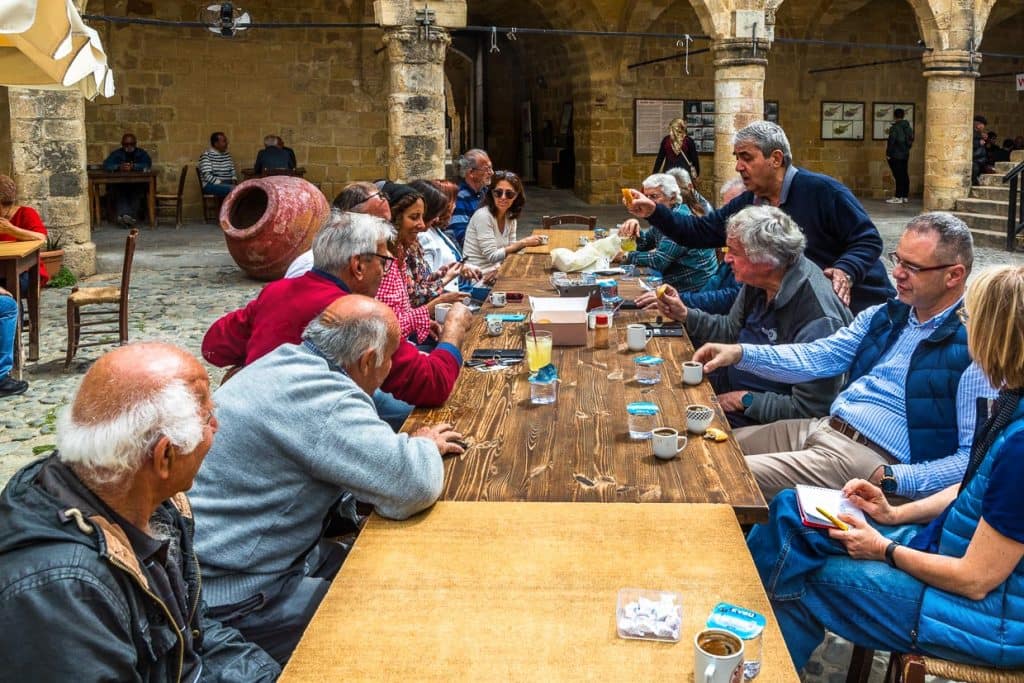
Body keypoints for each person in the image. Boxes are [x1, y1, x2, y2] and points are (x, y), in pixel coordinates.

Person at [747, 264, 1024, 672]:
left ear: (995, 335)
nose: (965, 327)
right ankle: (748, 646)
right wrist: (893, 514)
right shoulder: (1012, 402)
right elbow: (970, 486)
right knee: (791, 507)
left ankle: (752, 660)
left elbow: (975, 579)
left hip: (980, 618)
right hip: (943, 545)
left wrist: (884, 549)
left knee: (793, 573)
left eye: (972, 318)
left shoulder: (1019, 443)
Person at [192, 295, 464, 664]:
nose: (390, 369)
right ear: (367, 360)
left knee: (395, 567)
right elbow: (414, 486)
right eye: (390, 358)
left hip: (238, 559)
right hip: (238, 593)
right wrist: (426, 445)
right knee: (404, 616)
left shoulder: (286, 360)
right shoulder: (325, 398)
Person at [0, 343, 280, 681]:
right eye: (207, 418)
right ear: (164, 457)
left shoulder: (142, 501)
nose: (216, 427)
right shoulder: (62, 592)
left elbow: (192, 636)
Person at [693, 213, 995, 501]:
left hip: (867, 458)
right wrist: (740, 353)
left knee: (713, 472)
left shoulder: (976, 347)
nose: (897, 273)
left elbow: (975, 458)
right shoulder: (887, 314)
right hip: (826, 427)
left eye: (912, 267)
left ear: (954, 275)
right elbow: (820, 355)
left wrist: (894, 479)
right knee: (699, 449)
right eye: (898, 259)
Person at [202, 211, 471, 415]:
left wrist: (249, 364)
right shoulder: (355, 314)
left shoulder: (278, 291)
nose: (385, 272)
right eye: (383, 262)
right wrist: (453, 331)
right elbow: (432, 385)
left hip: (265, 413)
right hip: (317, 423)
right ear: (358, 266)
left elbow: (214, 346)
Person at [626, 120, 895, 313]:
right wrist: (654, 211)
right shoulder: (751, 201)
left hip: (860, 306)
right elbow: (701, 232)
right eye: (737, 157)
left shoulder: (823, 191)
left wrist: (846, 269)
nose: (738, 166)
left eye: (746, 157)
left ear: (775, 158)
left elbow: (868, 239)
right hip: (804, 306)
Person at [642, 206, 851, 428]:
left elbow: (811, 409)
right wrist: (685, 314)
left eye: (734, 252)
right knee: (656, 389)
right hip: (727, 384)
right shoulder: (761, 280)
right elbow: (729, 331)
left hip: (767, 420)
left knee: (675, 428)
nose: (726, 259)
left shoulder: (819, 316)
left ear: (765, 260)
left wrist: (745, 400)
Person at [374, 182, 465, 344]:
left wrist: (423, 322)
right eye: (414, 217)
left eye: (422, 217)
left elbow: (404, 309)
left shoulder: (400, 251)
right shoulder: (384, 261)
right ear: (394, 218)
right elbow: (389, 330)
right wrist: (433, 306)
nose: (422, 225)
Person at [615, 172, 717, 293]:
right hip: (675, 286)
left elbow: (659, 261)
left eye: (653, 196)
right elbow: (645, 244)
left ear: (672, 198)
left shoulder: (680, 216)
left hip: (694, 293)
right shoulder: (665, 216)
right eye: (646, 196)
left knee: (623, 293)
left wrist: (626, 256)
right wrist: (635, 231)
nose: (647, 201)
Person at [284, 180, 391, 279]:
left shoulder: (375, 262)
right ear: (345, 221)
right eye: (378, 223)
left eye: (387, 223)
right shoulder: (312, 267)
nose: (387, 231)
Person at [677, 178, 744, 316]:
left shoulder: (753, 248)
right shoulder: (736, 240)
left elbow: (731, 298)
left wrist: (681, 301)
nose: (728, 219)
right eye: (726, 210)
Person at [462, 171, 544, 268]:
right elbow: (492, 256)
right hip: (477, 273)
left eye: (509, 194)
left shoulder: (510, 216)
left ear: (516, 196)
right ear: (492, 193)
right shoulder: (483, 216)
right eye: (498, 193)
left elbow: (512, 249)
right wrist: (524, 243)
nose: (503, 197)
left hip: (497, 268)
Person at [101, 133, 153, 227]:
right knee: (120, 192)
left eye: (131, 144)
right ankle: (128, 217)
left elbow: (147, 164)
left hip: (137, 184)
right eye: (126, 144)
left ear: (135, 144)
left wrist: (134, 166)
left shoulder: (141, 153)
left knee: (136, 192)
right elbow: (106, 165)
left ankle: (125, 217)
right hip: (120, 183)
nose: (129, 146)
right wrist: (118, 167)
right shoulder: (117, 153)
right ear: (122, 144)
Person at [447, 148, 493, 246]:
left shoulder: (485, 192)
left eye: (491, 168)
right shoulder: (460, 197)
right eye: (487, 169)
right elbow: (459, 235)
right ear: (471, 172)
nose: (491, 172)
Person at [651, 117, 700, 181]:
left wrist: (654, 173)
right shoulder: (688, 140)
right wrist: (697, 173)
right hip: (684, 173)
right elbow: (694, 159)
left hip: (669, 172)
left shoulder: (666, 140)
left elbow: (660, 159)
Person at [885, 108, 913, 204]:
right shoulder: (908, 127)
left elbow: (891, 141)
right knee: (904, 174)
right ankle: (905, 196)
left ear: (894, 116)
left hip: (895, 155)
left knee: (898, 176)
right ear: (903, 115)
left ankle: (898, 197)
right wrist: (906, 149)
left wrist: (888, 154)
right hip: (905, 154)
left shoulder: (895, 128)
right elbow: (910, 140)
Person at [198, 131, 237, 197]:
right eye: (224, 141)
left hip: (227, 183)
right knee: (235, 189)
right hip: (211, 184)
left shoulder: (227, 155)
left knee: (244, 188)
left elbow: (232, 170)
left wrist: (234, 179)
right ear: (216, 144)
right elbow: (207, 176)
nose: (227, 143)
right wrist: (221, 183)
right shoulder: (207, 155)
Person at [972, 115, 988, 185]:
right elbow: (969, 143)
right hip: (975, 160)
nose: (983, 127)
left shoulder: (979, 133)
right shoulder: (971, 132)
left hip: (980, 161)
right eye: (982, 125)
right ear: (978, 124)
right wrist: (979, 143)